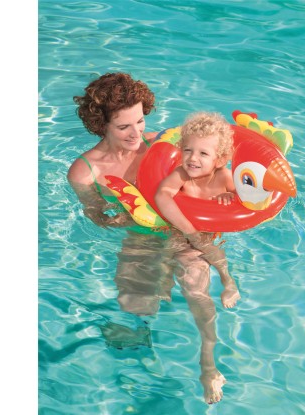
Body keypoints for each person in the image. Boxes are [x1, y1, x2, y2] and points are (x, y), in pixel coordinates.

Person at [67, 72, 226, 404]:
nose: (136, 133)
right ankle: (143, 344)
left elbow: (210, 172)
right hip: (140, 235)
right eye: (123, 126)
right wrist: (119, 218)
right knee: (133, 304)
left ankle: (208, 365)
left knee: (196, 288)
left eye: (140, 121)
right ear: (101, 124)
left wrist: (221, 200)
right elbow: (97, 217)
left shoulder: (161, 146)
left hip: (182, 230)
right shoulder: (85, 172)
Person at [155, 111, 241, 309]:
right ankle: (165, 280)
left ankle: (228, 283)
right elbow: (162, 194)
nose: (193, 158)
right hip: (182, 229)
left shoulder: (224, 177)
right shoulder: (182, 174)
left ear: (219, 159)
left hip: (210, 233)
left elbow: (245, 200)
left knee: (214, 253)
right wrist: (189, 231)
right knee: (167, 251)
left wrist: (229, 196)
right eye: (188, 150)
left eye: (203, 153)